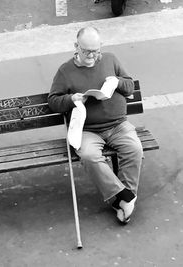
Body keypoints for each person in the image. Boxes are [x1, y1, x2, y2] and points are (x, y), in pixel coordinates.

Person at [48, 26, 143, 224]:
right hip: (88, 130)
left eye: (95, 50)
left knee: (134, 149)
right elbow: (53, 101)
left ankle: (123, 200)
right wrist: (71, 99)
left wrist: (116, 81)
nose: (92, 55)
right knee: (90, 156)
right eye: (86, 51)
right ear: (76, 46)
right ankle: (125, 198)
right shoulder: (65, 71)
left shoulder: (110, 59)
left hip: (118, 124)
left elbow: (129, 86)